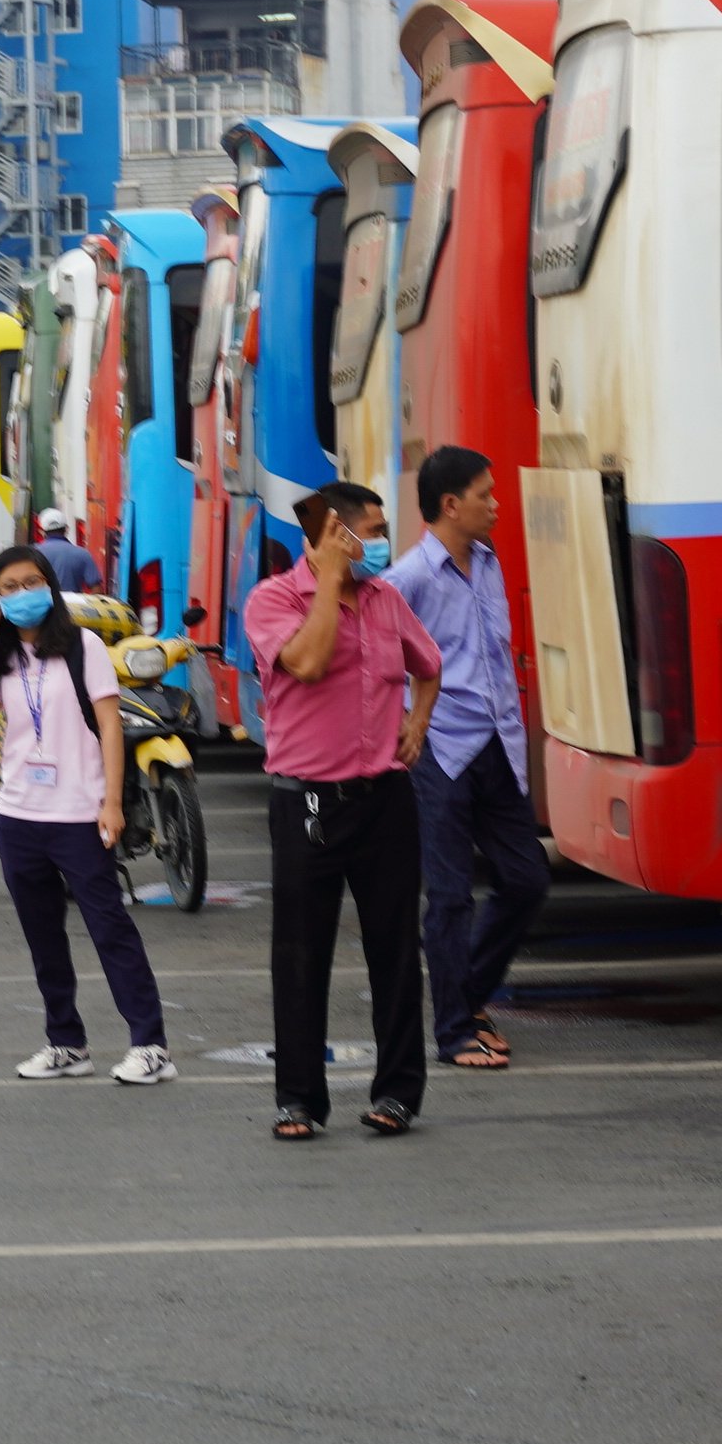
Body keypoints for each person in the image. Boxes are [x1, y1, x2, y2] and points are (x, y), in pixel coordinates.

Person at [241, 481, 442, 1140]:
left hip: (383, 800)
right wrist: (327, 582)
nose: (383, 543)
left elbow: (429, 663)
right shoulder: (272, 600)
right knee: (300, 955)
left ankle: (398, 1094)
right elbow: (308, 659)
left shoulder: (386, 600)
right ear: (334, 536)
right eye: (371, 531)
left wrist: (417, 721)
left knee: (394, 952)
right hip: (307, 806)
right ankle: (299, 1099)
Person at [0, 546, 172, 1085]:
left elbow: (109, 727)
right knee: (43, 935)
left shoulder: (84, 647)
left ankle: (150, 1045)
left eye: (30, 582)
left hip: (79, 813)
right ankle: (66, 1042)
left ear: (50, 587)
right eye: (7, 587)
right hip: (17, 815)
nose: (20, 594)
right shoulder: (2, 653)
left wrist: (111, 803)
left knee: (109, 928)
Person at [386, 447, 551, 1072]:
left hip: (497, 747)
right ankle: (454, 1031)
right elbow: (382, 659)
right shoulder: (409, 578)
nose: (496, 503)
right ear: (451, 505)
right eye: (485, 494)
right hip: (440, 753)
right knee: (451, 896)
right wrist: (406, 722)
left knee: (527, 880)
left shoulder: (487, 562)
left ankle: (469, 996)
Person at [34, 508, 103, 595]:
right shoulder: (83, 554)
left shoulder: (32, 554)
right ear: (66, 529)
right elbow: (97, 590)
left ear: (42, 531)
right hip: (72, 607)